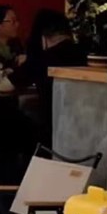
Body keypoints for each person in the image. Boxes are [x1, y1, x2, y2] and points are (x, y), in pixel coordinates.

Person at [9, 9, 86, 144]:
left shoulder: (43, 59)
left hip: (54, 132)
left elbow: (5, 85)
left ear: (43, 37)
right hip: (86, 129)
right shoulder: (85, 54)